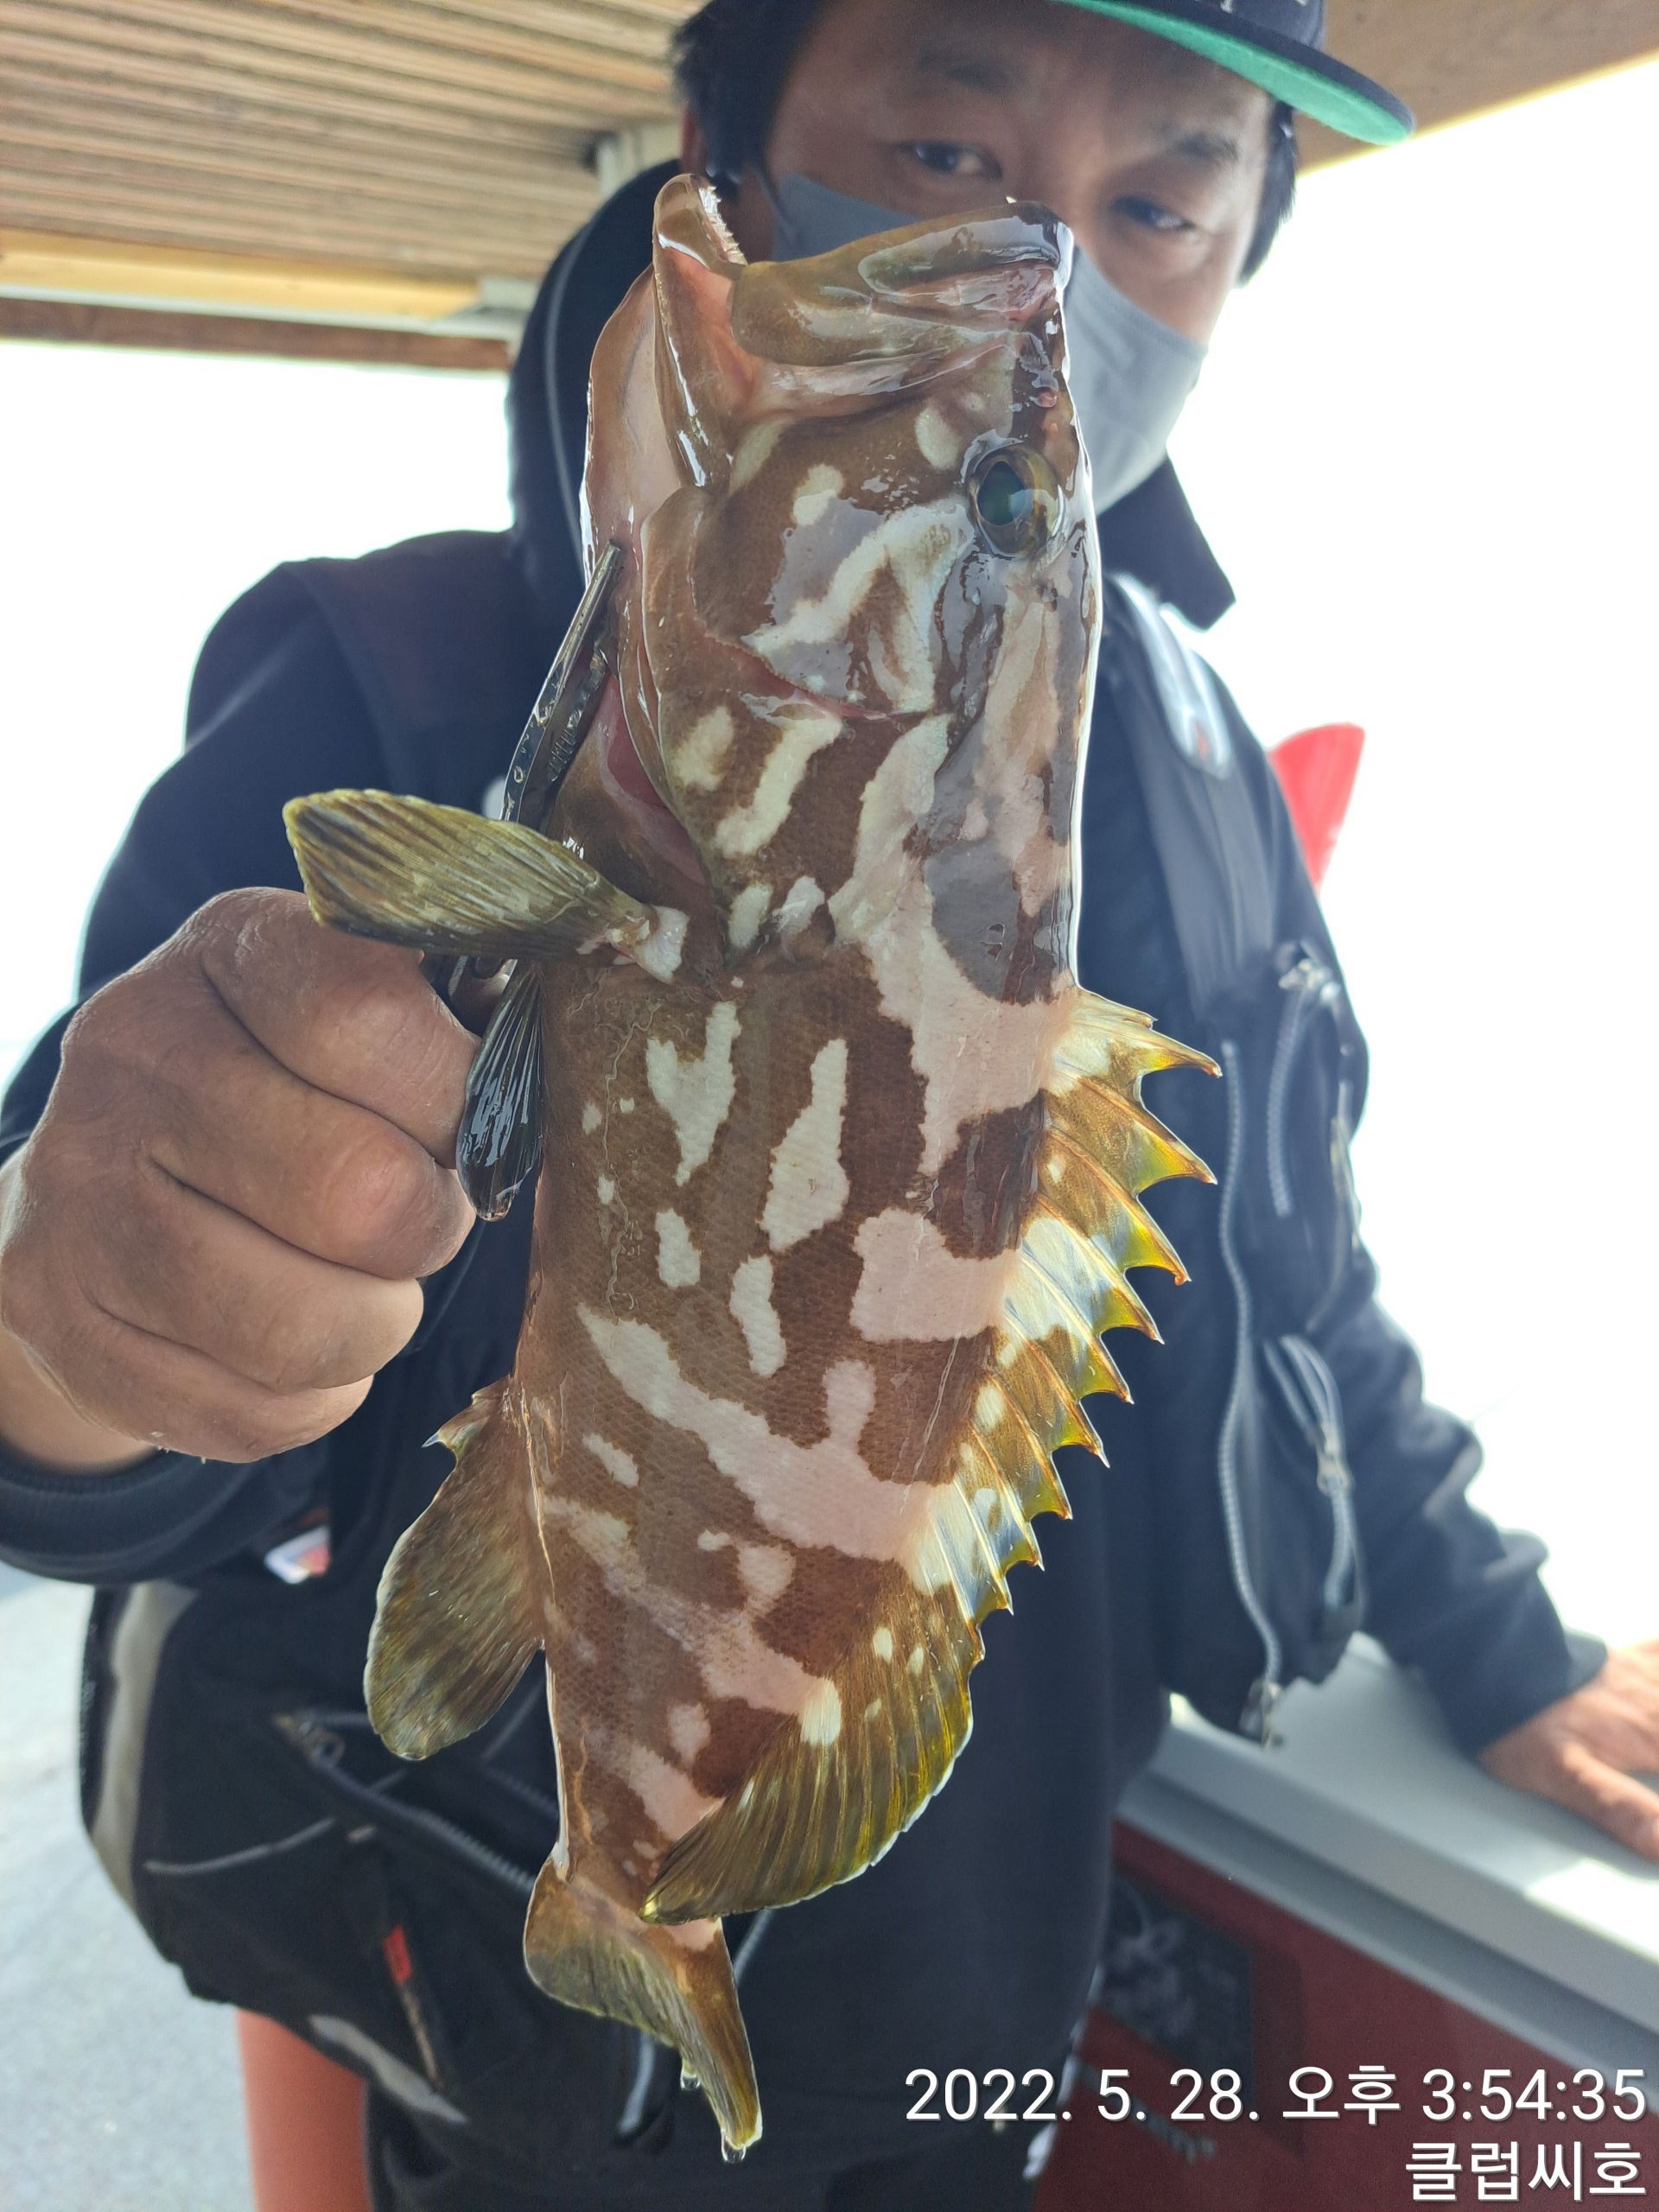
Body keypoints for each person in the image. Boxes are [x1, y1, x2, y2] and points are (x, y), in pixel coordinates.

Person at [2, 0, 1656, 2205]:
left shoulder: (1199, 764)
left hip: (991, 2028)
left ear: (1245, 248)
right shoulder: (372, 683)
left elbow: (1293, 1277)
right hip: (514, 2079)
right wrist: (58, 1323)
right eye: (952, 153)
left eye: (1162, 200)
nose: (1041, 274)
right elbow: (97, 1416)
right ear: (724, 145)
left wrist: (1495, 1636)